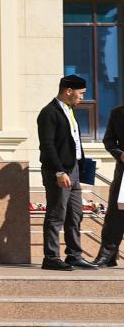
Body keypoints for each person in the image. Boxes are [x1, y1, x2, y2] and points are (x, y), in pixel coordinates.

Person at [37, 74, 95, 271]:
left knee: (75, 214)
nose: (82, 98)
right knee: (56, 214)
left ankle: (74, 255)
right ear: (69, 91)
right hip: (59, 172)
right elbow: (47, 146)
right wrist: (59, 172)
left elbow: (73, 141)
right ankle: (51, 257)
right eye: (81, 93)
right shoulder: (49, 112)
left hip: (74, 169)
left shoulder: (70, 110)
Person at [99, 100, 124, 266]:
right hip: (123, 171)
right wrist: (120, 154)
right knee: (115, 214)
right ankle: (107, 255)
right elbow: (108, 140)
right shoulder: (117, 113)